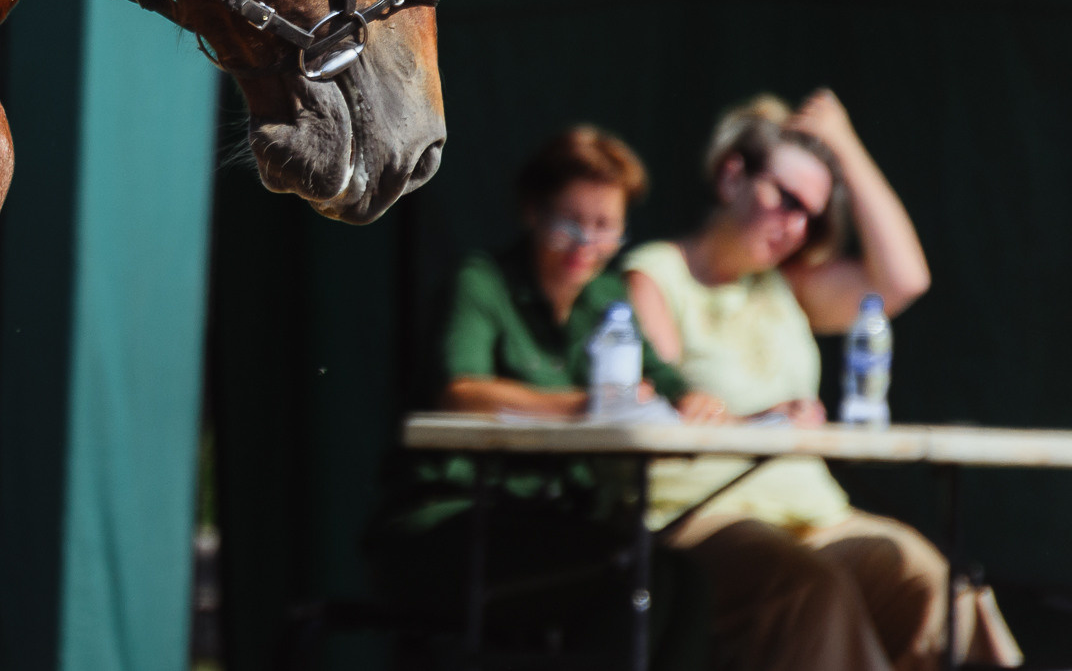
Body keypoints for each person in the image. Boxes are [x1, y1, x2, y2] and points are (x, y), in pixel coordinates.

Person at [624, 91, 1020, 671]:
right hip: (704, 515)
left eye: (811, 215)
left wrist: (844, 145)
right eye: (786, 200)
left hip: (819, 518)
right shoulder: (656, 276)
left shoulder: (787, 285)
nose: (796, 227)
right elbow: (660, 413)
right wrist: (763, 423)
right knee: (809, 590)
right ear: (732, 176)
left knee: (930, 580)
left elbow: (904, 280)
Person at [366, 127, 713, 668]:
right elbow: (460, 392)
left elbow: (667, 383)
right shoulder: (482, 283)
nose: (585, 243)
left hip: (553, 520)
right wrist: (581, 405)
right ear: (532, 211)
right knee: (633, 578)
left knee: (685, 578)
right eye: (569, 222)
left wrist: (700, 403)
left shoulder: (608, 297)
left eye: (605, 227)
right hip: (453, 520)